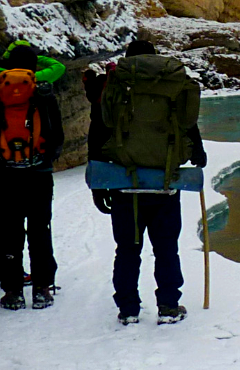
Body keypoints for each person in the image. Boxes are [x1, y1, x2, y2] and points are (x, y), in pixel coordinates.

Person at [86, 40, 206, 326]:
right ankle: (168, 306)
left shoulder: (116, 83)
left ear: (128, 60)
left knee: (127, 248)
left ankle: (128, 309)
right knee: (166, 247)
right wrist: (198, 153)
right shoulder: (172, 83)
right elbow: (187, 125)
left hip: (125, 183)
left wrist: (98, 183)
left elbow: (100, 130)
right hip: (164, 182)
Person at [0, 42, 64, 311]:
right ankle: (42, 289)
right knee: (39, 229)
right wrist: (45, 158)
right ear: (34, 67)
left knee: (10, 229)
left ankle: (12, 291)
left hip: (5, 173)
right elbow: (57, 137)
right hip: (39, 173)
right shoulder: (43, 94)